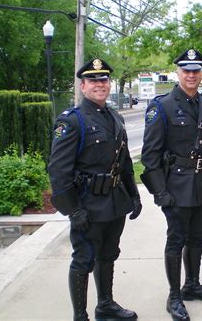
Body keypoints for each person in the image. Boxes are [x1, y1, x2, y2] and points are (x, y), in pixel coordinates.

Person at [48, 58, 141, 321]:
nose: (100, 85)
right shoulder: (72, 121)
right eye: (93, 80)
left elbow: (123, 162)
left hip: (114, 202)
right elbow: (58, 171)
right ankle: (80, 315)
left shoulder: (114, 116)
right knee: (83, 260)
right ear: (83, 85)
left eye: (103, 80)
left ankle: (106, 304)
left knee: (108, 255)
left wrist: (133, 195)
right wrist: (72, 210)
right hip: (87, 204)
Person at [140, 49, 202, 321]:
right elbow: (150, 156)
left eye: (196, 70)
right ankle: (174, 295)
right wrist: (159, 192)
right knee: (176, 239)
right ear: (178, 72)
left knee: (198, 236)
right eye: (186, 70)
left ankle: (192, 285)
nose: (191, 75)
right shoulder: (162, 106)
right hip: (175, 186)